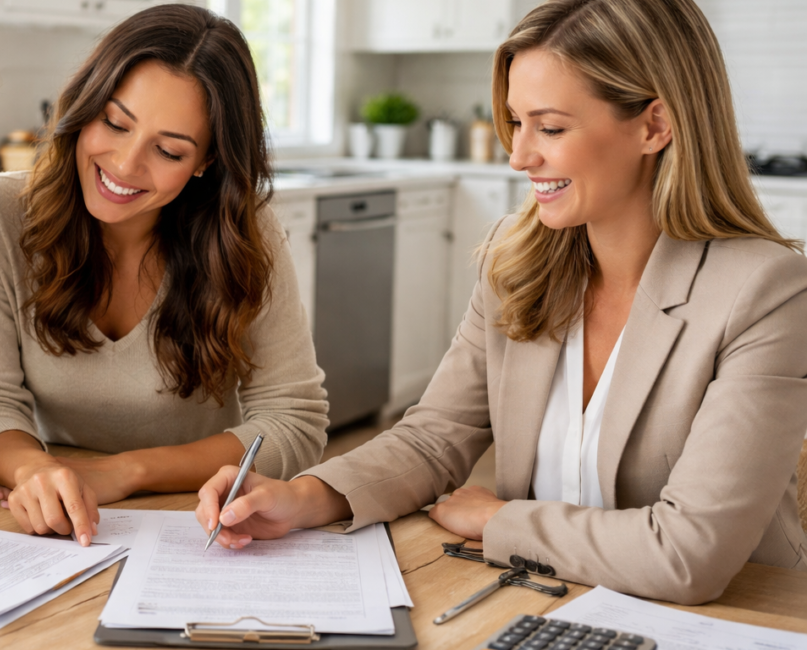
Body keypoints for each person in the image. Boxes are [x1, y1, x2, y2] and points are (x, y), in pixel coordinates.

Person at [196, 0, 807, 605]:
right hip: (543, 597)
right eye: (517, 122)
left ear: (654, 126)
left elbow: (688, 555)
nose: (519, 156)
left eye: (552, 127)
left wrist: (498, 521)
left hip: (739, 618)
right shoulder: (517, 264)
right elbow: (435, 438)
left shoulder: (765, 291)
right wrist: (301, 497)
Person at [0, 4, 327, 546]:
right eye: (114, 123)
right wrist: (32, 469)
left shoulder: (247, 233)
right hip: (56, 509)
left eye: (169, 150)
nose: (126, 165)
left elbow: (294, 419)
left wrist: (130, 471)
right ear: (85, 107)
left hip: (194, 518)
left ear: (206, 162)